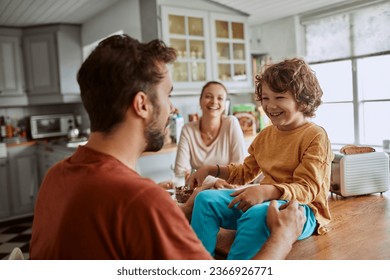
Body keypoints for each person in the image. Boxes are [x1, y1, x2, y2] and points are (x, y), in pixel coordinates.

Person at [29, 34, 306, 260]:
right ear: (142, 104)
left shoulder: (56, 177)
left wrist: (188, 206)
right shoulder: (140, 201)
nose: (172, 108)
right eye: (168, 95)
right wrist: (282, 238)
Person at [188, 58, 334, 260]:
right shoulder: (266, 135)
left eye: (279, 97)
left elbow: (308, 189)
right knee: (204, 199)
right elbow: (244, 173)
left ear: (302, 99)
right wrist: (210, 169)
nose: (270, 105)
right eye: (265, 98)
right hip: (263, 200)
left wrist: (266, 191)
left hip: (301, 210)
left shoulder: (315, 136)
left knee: (258, 215)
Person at [174, 81, 246, 186]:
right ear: (200, 101)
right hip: (199, 193)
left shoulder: (231, 123)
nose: (214, 102)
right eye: (208, 96)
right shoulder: (188, 130)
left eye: (220, 98)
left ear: (225, 104)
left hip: (228, 190)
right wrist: (213, 182)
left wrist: (200, 178)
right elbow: (180, 173)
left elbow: (239, 170)